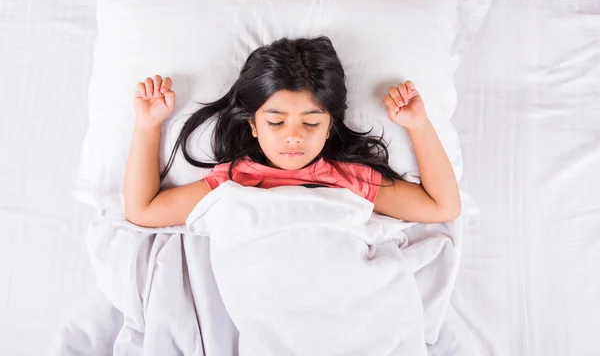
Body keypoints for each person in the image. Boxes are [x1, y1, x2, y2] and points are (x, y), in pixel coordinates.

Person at [124, 36, 460, 228]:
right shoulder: (233, 181)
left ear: (330, 127)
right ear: (253, 124)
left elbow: (443, 208)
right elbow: (142, 211)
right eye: (276, 121)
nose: (293, 136)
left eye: (311, 122)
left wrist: (419, 126)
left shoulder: (351, 179)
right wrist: (148, 125)